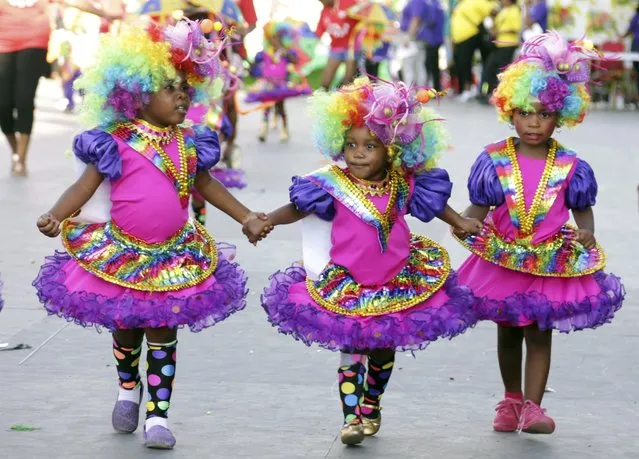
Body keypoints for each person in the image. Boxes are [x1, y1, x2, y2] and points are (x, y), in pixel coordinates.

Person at [32, 19, 271, 449]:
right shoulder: (116, 141)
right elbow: (84, 187)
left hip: (175, 256)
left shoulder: (191, 142)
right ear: (137, 94)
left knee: (163, 331)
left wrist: (246, 216)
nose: (182, 96)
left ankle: (158, 417)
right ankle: (128, 387)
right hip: (122, 254)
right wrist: (55, 214)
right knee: (125, 328)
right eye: (169, 88)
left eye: (186, 88)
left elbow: (207, 186)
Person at [250, 77, 483, 445]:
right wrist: (267, 219)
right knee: (351, 349)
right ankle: (350, 417)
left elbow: (437, 207)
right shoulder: (331, 184)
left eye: (370, 145)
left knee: (382, 350)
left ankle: (372, 402)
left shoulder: (404, 183)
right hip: (348, 284)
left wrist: (461, 222)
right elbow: (296, 209)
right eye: (351, 144)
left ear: (391, 149)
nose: (358, 153)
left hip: (397, 281)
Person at [452, 32, 624, 434]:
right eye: (525, 112)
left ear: (561, 114)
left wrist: (587, 234)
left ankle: (534, 407)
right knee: (508, 333)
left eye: (544, 114)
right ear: (509, 111)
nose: (533, 122)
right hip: (502, 259)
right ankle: (511, 399)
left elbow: (583, 209)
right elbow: (478, 206)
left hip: (549, 262)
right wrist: (461, 220)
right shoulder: (494, 158)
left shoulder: (571, 165)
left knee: (540, 332)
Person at [0, 0, 120, 176]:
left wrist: (104, 14)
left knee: (24, 99)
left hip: (34, 42)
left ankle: (21, 157)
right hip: (4, 43)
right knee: (3, 104)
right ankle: (15, 149)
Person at [247, 20, 311, 143]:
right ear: (269, 39)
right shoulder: (265, 53)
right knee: (266, 106)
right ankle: (263, 130)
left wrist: (284, 50)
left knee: (280, 107)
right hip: (267, 84)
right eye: (273, 38)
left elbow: (295, 60)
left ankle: (285, 130)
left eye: (278, 38)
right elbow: (256, 63)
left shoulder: (285, 52)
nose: (275, 40)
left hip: (280, 84)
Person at [450, 0, 498, 101]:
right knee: (462, 64)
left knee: (466, 64)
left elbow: (494, 10)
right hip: (460, 39)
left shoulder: (476, 1)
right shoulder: (460, 4)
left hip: (471, 35)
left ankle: (471, 90)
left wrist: (494, 26)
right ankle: (468, 89)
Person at [478, 0, 521, 104]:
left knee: (501, 71)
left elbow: (516, 28)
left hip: (508, 44)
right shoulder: (502, 10)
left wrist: (499, 31)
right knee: (490, 69)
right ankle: (489, 93)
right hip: (498, 45)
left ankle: (500, 96)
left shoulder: (515, 10)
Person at [316, 0, 360, 89]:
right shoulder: (324, 11)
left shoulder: (348, 2)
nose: (321, 2)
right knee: (326, 80)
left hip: (352, 47)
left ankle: (345, 100)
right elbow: (319, 31)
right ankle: (320, 98)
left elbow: (362, 15)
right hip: (335, 48)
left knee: (349, 79)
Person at [621, 3, 639, 98]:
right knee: (636, 71)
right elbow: (630, 30)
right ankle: (636, 95)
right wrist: (621, 37)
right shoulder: (636, 16)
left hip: (636, 44)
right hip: (636, 44)